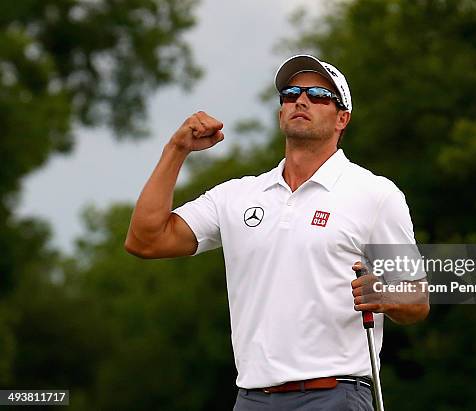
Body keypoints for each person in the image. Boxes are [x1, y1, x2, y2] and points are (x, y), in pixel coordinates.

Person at [125, 54, 429, 410]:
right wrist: (176, 150)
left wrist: (389, 294)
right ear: (281, 111)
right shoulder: (237, 195)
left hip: (335, 394)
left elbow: (417, 301)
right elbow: (145, 239)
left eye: (318, 95)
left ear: (341, 119)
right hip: (252, 397)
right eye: (290, 93)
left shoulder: (376, 194)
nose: (301, 100)